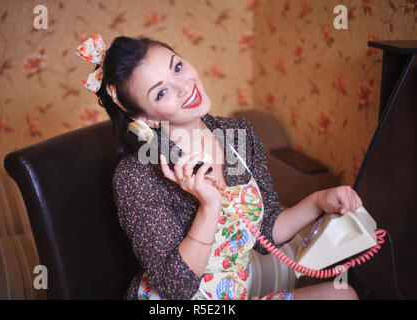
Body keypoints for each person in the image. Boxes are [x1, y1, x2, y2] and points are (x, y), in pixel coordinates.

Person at [75, 34, 361, 300]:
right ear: (145, 120)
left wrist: (318, 201)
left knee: (343, 294)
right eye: (161, 93)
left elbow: (264, 230)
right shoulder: (136, 175)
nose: (185, 86)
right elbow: (177, 287)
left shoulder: (238, 133)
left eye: (177, 67)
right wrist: (208, 207)